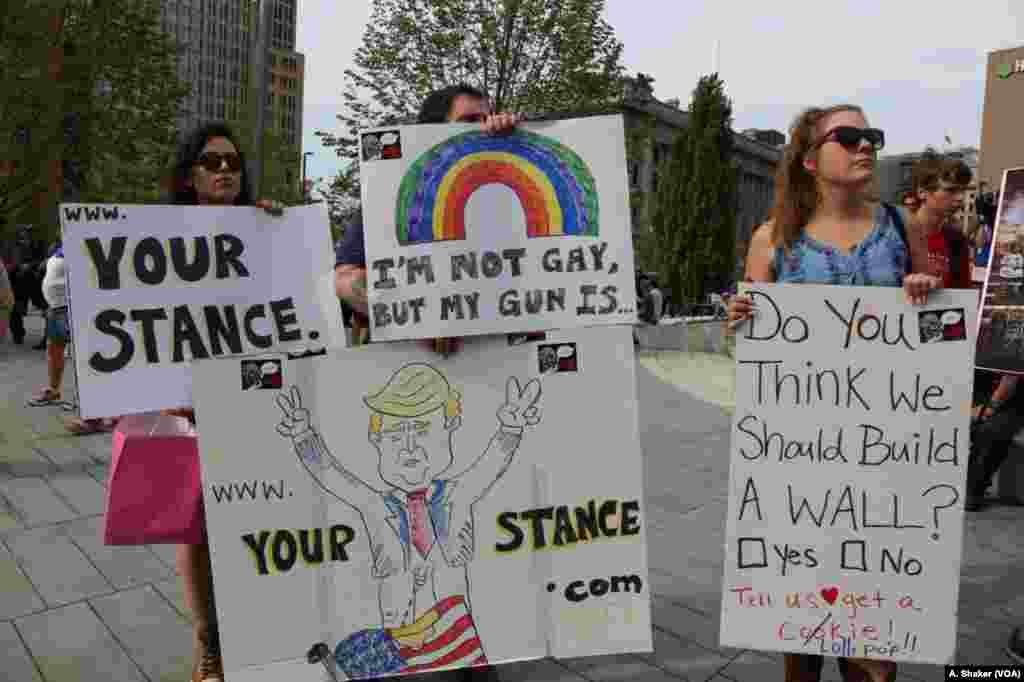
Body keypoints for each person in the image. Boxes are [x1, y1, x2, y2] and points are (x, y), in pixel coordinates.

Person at [727, 104, 940, 682]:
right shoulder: (773, 239)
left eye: (872, 135)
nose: (865, 145)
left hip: (887, 460)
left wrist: (925, 292)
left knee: (873, 644)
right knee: (802, 633)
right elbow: (752, 356)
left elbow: (934, 335)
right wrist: (742, 318)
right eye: (849, 137)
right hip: (802, 467)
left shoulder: (902, 227)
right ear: (809, 156)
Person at [85, 122, 282, 682]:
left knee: (260, 518)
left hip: (256, 401)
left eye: (232, 163)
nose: (224, 170)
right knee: (197, 530)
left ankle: (266, 630)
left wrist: (280, 230)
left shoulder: (265, 227)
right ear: (189, 173)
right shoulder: (156, 235)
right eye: (211, 162)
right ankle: (210, 647)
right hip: (190, 407)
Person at [334, 83, 523, 359]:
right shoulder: (393, 197)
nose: (483, 128)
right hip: (417, 365)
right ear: (431, 133)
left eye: (486, 118)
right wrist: (421, 316)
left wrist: (521, 140)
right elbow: (343, 280)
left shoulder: (514, 191)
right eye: (469, 121)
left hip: (508, 361)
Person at [907, 151, 973, 290]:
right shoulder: (895, 236)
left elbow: (962, 294)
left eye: (963, 190)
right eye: (951, 190)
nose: (960, 197)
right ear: (922, 192)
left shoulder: (957, 240)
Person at [966, 373, 1024, 511]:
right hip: (975, 385)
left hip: (1013, 393)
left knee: (992, 430)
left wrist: (990, 407)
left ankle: (973, 486)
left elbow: (1011, 378)